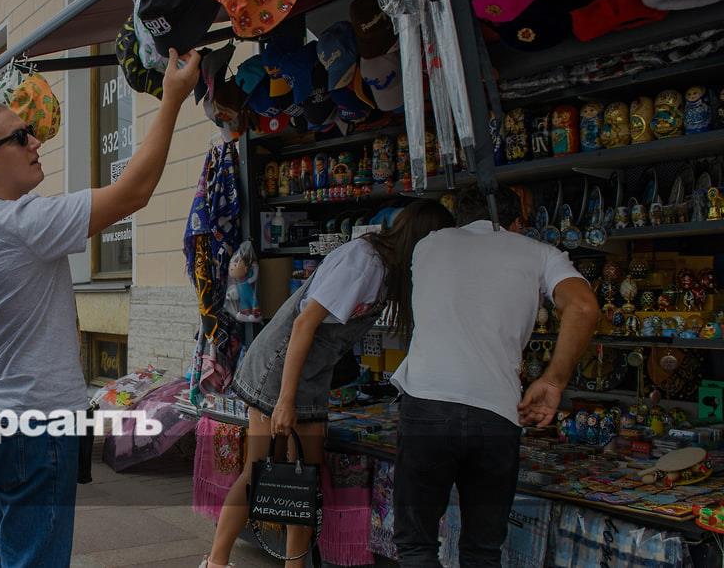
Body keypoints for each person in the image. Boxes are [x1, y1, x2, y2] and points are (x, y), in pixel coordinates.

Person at [0, 48, 200, 567]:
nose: (35, 142)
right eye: (19, 137)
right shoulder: (23, 222)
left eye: (29, 132)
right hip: (34, 422)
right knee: (32, 557)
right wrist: (172, 99)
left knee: (4, 549)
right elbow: (133, 193)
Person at [202, 201, 455, 568]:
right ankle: (216, 562)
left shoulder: (388, 270)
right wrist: (286, 400)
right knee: (259, 469)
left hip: (310, 374)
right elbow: (304, 324)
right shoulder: (365, 261)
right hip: (279, 368)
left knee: (303, 478)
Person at [391, 187, 599, 567]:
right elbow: (583, 307)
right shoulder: (539, 252)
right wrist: (553, 380)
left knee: (416, 545)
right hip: (496, 411)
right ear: (516, 223)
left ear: (460, 219)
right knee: (483, 550)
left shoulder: (429, 244)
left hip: (427, 404)